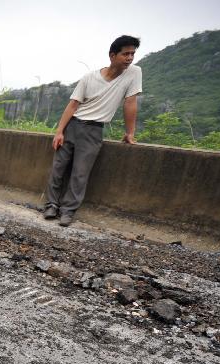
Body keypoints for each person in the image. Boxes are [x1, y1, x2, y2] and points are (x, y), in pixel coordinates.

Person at [44, 35, 142, 227]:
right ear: (112, 55)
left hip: (94, 130)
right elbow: (73, 105)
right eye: (125, 54)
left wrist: (130, 132)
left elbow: (130, 102)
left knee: (80, 172)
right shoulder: (90, 78)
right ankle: (51, 205)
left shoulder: (134, 73)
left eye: (132, 54)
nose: (130, 58)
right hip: (73, 124)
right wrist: (59, 132)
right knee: (58, 168)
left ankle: (68, 211)